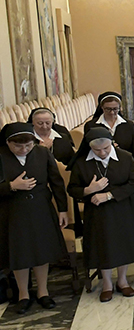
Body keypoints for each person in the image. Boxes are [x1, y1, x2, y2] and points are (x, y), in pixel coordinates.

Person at [66, 127, 134, 302]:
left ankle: (123, 281)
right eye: (97, 150)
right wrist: (89, 190)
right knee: (103, 245)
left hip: (122, 208)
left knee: (123, 244)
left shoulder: (125, 157)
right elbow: (72, 189)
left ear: (112, 144)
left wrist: (108, 195)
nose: (102, 153)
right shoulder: (82, 163)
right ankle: (107, 284)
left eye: (106, 148)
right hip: (97, 213)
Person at [0, 123, 69, 314]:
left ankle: (43, 291)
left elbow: (56, 181)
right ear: (8, 143)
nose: (24, 150)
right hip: (13, 211)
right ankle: (23, 294)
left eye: (28, 146)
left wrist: (62, 210)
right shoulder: (1, 156)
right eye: (18, 146)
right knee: (19, 253)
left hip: (40, 208)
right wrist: (12, 186)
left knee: (41, 251)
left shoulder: (42, 153)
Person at [84, 91, 134, 168]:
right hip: (99, 166)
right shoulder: (91, 125)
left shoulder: (128, 125)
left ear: (120, 108)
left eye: (115, 109)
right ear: (102, 107)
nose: (112, 112)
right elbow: (86, 149)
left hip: (125, 165)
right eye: (108, 109)